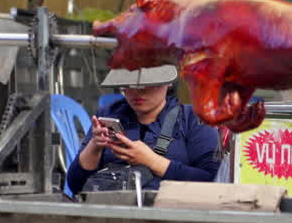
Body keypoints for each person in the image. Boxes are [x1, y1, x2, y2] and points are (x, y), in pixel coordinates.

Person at [66, 64, 221, 195]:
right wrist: (95, 146)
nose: (138, 91)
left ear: (168, 83)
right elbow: (75, 186)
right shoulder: (108, 114)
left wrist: (151, 161)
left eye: (149, 84)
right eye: (130, 85)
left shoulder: (193, 119)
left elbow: (211, 181)